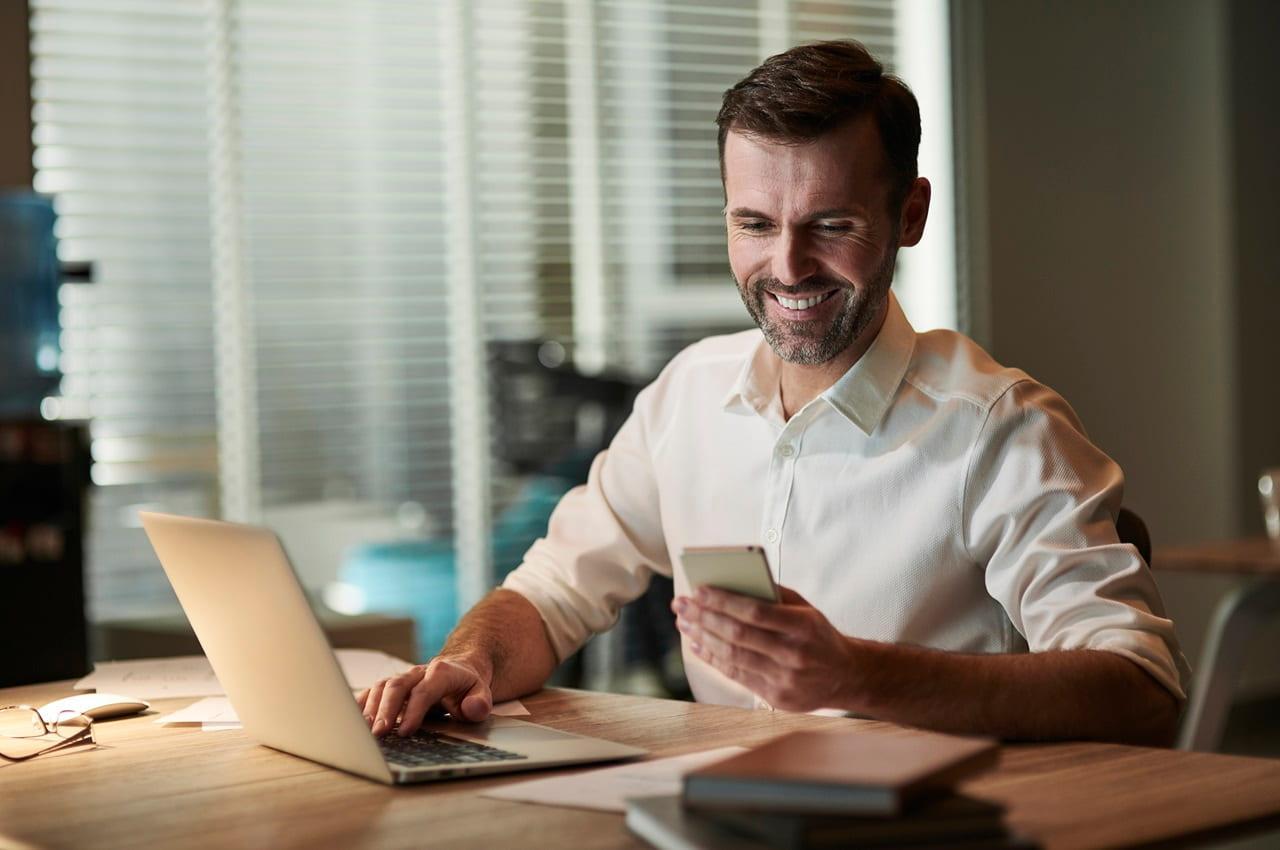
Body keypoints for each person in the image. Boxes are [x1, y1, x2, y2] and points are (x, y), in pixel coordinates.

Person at [359, 40, 1188, 745]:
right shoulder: (689, 395)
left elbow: (1144, 689)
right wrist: (468, 663)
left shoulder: (998, 430)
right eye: (755, 225)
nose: (787, 269)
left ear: (909, 214)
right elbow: (551, 593)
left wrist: (860, 675)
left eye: (831, 225)